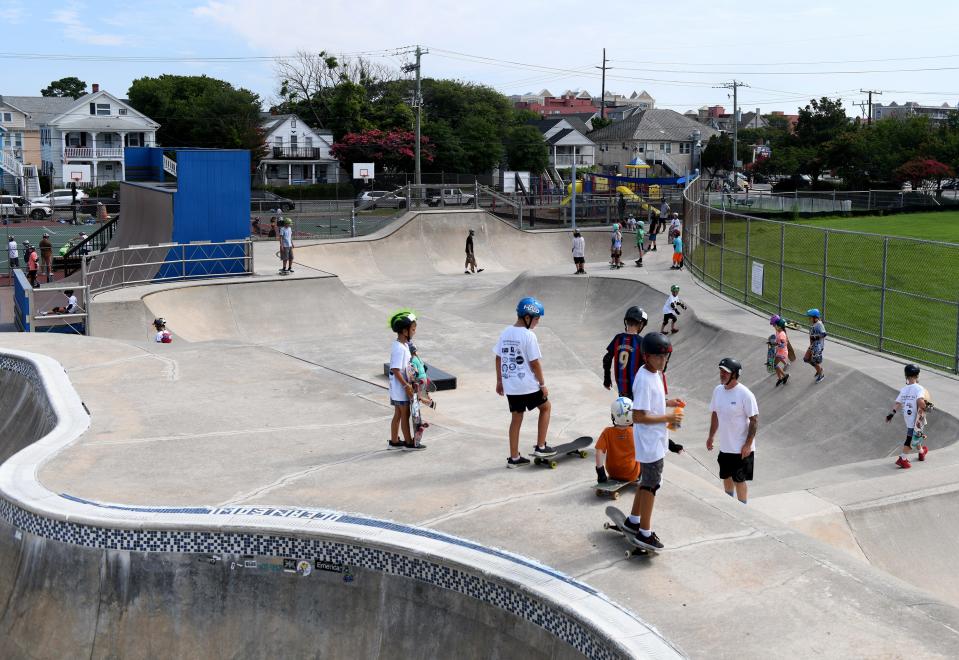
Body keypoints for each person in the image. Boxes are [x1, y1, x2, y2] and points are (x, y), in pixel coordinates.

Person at [621, 332, 685, 550]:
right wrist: (668, 417)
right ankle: (645, 533)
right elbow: (638, 416)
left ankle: (634, 521)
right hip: (649, 442)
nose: (662, 360)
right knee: (652, 485)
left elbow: (652, 403)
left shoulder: (653, 373)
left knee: (645, 481)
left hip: (655, 440)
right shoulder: (645, 379)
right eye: (658, 357)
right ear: (646, 356)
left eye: (665, 356)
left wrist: (668, 403)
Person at [494, 297, 553, 468]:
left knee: (516, 418)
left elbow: (498, 358)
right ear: (527, 317)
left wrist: (499, 381)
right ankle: (541, 446)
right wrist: (542, 385)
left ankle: (514, 458)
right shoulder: (529, 336)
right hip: (528, 385)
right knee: (546, 407)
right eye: (536, 319)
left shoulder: (505, 332)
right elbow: (535, 363)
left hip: (511, 386)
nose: (537, 322)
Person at [706, 358, 759, 503]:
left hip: (741, 448)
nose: (722, 374)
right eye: (721, 371)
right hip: (725, 446)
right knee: (726, 476)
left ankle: (742, 508)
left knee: (739, 480)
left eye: (726, 372)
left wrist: (748, 444)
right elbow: (715, 413)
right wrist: (711, 436)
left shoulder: (745, 394)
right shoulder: (718, 391)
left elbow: (754, 420)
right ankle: (729, 503)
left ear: (735, 375)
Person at [388, 309, 424, 451]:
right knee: (405, 414)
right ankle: (409, 442)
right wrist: (406, 386)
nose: (414, 332)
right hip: (400, 387)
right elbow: (395, 369)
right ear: (404, 331)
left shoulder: (402, 345)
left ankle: (394, 441)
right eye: (413, 329)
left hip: (397, 388)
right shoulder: (399, 349)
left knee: (398, 414)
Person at [885, 364, 929, 469]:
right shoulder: (919, 388)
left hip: (908, 418)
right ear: (917, 375)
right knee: (911, 438)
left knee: (916, 435)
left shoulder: (904, 389)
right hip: (916, 419)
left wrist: (891, 414)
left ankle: (921, 452)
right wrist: (927, 408)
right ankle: (902, 459)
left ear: (906, 376)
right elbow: (920, 401)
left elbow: (897, 403)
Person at [603, 306, 648, 399]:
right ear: (641, 324)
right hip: (637, 390)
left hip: (621, 388)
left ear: (626, 322)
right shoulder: (641, 341)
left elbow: (607, 359)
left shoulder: (618, 338)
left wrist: (607, 379)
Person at [595, 397, 641, 485]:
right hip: (631, 473)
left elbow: (599, 452)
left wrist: (601, 473)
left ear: (614, 416)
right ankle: (642, 478)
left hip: (612, 472)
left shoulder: (607, 432)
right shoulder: (636, 432)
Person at [408, 342, 436, 409]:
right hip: (425, 378)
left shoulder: (413, 360)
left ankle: (431, 403)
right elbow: (425, 368)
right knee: (424, 392)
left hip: (420, 380)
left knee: (418, 397)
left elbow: (416, 372)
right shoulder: (419, 359)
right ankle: (430, 402)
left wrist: (413, 379)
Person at [805, 308, 827, 383]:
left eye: (810, 317)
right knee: (806, 359)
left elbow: (824, 334)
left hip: (817, 347)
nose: (809, 319)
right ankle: (819, 369)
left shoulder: (819, 324)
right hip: (813, 346)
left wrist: (814, 337)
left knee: (814, 362)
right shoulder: (814, 324)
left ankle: (821, 375)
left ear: (815, 317)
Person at [772, 317, 790, 386]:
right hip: (780, 352)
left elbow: (783, 344)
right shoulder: (780, 332)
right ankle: (780, 378)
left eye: (776, 326)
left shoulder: (782, 334)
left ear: (780, 327)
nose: (775, 327)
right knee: (775, 365)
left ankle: (785, 375)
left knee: (775, 365)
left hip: (782, 352)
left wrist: (776, 345)